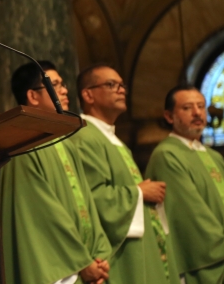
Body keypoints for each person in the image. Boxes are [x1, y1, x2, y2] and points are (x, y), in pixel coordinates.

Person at [0, 61, 111, 284]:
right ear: (32, 96)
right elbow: (42, 215)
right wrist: (82, 263)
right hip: (59, 269)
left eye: (62, 84)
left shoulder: (64, 140)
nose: (65, 89)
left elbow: (86, 201)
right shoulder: (21, 145)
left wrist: (98, 255)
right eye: (56, 84)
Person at [66, 64, 178, 284]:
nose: (121, 90)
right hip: (118, 256)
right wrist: (139, 193)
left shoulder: (112, 139)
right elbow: (91, 198)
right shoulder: (85, 136)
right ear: (88, 94)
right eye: (111, 85)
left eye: (122, 85)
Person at [146, 85, 224, 283]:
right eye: (187, 108)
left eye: (201, 106)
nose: (197, 112)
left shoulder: (213, 156)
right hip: (206, 264)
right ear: (169, 116)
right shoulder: (167, 155)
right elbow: (190, 213)